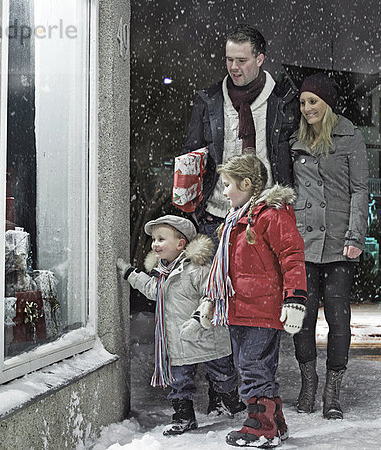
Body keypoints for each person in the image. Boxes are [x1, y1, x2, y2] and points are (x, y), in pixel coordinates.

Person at [202, 153, 307, 448]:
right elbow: (221, 268)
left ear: (247, 184)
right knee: (255, 366)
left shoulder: (270, 216)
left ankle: (261, 427)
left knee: (251, 366)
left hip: (262, 309)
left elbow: (292, 256)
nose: (223, 192)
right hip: (240, 308)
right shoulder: (235, 221)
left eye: (227, 185)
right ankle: (275, 422)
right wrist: (210, 300)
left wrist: (295, 299)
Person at [116, 215, 245, 436]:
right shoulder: (162, 272)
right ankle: (184, 417)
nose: (155, 244)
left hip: (207, 336)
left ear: (180, 244)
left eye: (161, 239)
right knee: (179, 382)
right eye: (154, 239)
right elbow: (153, 290)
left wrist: (198, 320)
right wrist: (131, 274)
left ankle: (231, 401)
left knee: (222, 374)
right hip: (178, 340)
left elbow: (211, 295)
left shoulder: (198, 268)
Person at [290, 72, 369, 419]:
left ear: (327, 104)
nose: (307, 108)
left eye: (313, 102)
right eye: (304, 102)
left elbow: (360, 190)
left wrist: (355, 237)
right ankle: (308, 383)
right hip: (303, 242)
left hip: (339, 242)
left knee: (339, 319)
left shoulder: (350, 137)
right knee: (301, 318)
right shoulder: (293, 140)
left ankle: (332, 391)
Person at [182, 24, 300, 240]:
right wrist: (190, 212)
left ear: (260, 59)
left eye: (241, 61)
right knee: (212, 276)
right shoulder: (209, 101)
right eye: (229, 59)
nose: (233, 67)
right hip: (215, 219)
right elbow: (190, 157)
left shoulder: (285, 101)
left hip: (267, 218)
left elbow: (299, 162)